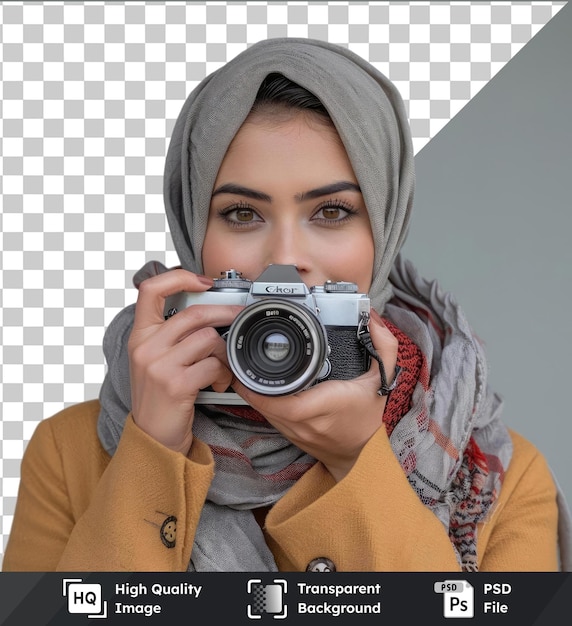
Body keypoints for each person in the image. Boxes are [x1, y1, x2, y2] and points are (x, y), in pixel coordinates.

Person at [3, 38, 571, 573]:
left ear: (386, 227)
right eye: (242, 214)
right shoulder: (70, 453)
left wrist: (357, 461)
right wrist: (152, 452)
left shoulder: (503, 477)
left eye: (332, 212)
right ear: (193, 229)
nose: (286, 257)